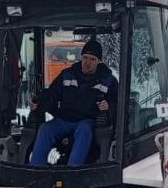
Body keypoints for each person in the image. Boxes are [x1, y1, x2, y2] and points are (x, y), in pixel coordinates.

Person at [30, 39, 118, 167]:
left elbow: (118, 103)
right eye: (85, 58)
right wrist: (39, 102)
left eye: (92, 59)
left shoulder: (108, 80)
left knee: (84, 130)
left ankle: (73, 169)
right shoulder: (67, 74)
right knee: (45, 129)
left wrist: (108, 106)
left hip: (88, 120)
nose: (87, 62)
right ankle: (35, 168)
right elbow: (52, 93)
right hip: (64, 119)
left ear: (99, 61)